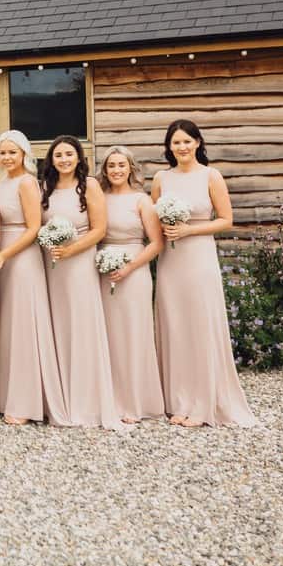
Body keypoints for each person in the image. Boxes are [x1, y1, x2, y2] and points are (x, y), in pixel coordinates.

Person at [152, 119, 257, 427]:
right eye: (176, 143)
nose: (182, 147)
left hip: (198, 257)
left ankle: (203, 401)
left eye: (187, 141)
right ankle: (178, 400)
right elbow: (151, 217)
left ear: (197, 142)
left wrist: (189, 229)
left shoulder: (210, 175)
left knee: (199, 324)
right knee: (174, 325)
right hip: (170, 260)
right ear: (169, 147)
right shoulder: (161, 178)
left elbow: (226, 219)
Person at [0, 130, 69, 427]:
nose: (7, 158)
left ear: (24, 154)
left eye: (12, 152)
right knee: (10, 327)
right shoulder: (3, 182)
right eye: (3, 153)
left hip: (22, 256)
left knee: (24, 326)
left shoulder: (27, 183)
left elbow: (33, 228)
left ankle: (28, 401)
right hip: (3, 256)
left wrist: (4, 256)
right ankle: (9, 396)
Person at [40, 135, 121, 430]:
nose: (63, 160)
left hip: (79, 263)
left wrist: (71, 249)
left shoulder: (90, 186)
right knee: (58, 326)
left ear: (78, 158)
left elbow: (100, 229)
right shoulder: (45, 188)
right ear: (51, 160)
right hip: (52, 266)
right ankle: (60, 399)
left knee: (81, 325)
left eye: (69, 154)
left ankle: (87, 402)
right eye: (58, 155)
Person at [96, 145, 165, 424]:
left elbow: (157, 243)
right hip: (104, 271)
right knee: (108, 336)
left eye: (121, 165)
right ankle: (109, 398)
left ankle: (135, 402)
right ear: (105, 170)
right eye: (111, 165)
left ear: (130, 169)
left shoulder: (141, 200)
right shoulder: (99, 198)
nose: (116, 170)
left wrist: (129, 268)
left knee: (134, 334)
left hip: (134, 272)